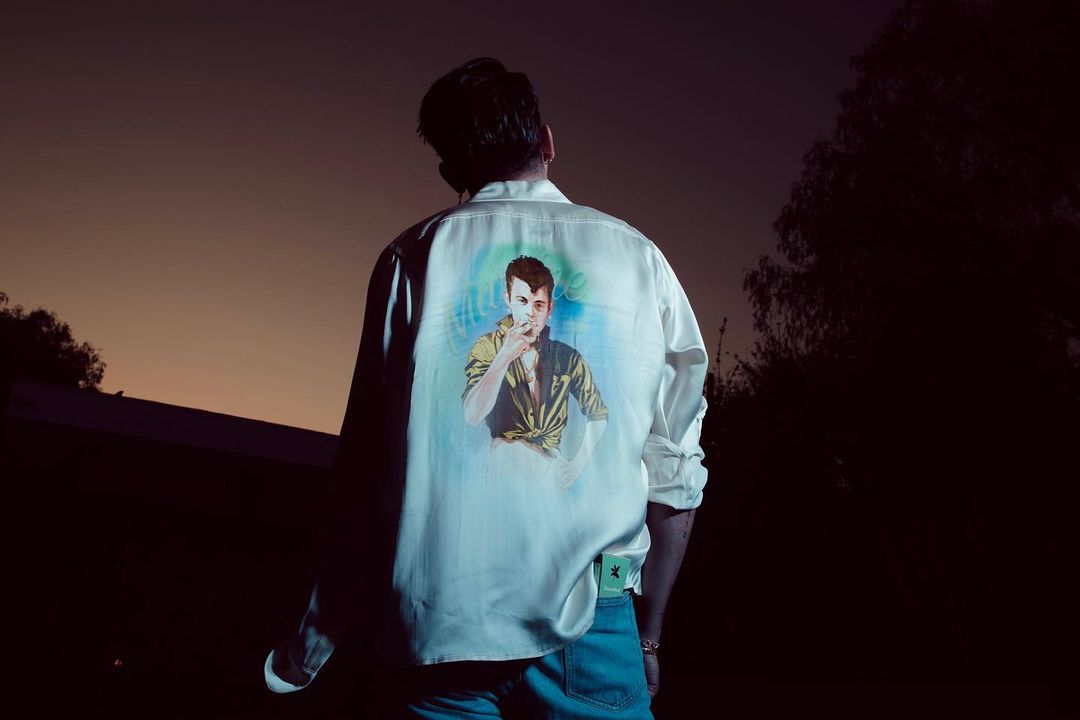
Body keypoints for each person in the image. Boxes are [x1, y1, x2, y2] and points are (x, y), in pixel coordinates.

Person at [265, 57, 709, 719]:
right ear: (548, 141)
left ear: (452, 172)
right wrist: (646, 635)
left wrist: (314, 641)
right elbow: (674, 477)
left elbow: (362, 474)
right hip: (594, 615)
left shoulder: (411, 260)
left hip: (440, 623)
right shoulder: (643, 262)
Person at [463, 255, 608, 490]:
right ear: (508, 300)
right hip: (504, 477)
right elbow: (472, 415)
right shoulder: (487, 347)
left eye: (538, 305)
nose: (530, 313)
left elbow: (598, 413)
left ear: (550, 309)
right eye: (522, 301)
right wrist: (504, 357)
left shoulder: (567, 357)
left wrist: (577, 466)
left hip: (550, 482)